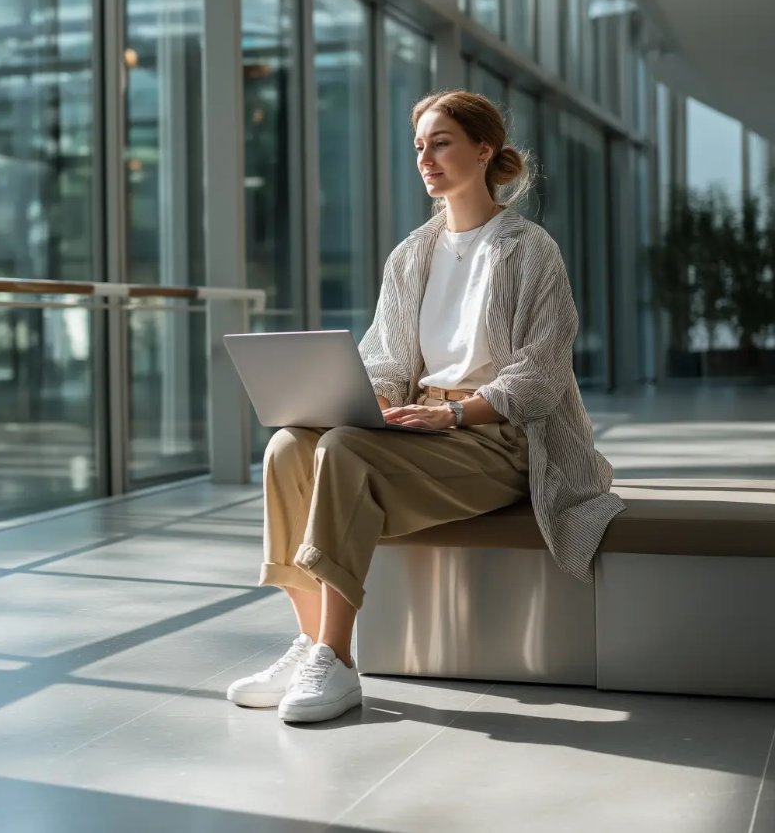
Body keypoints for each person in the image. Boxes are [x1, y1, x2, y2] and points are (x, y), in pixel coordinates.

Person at [226, 89, 625, 725]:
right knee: (288, 445)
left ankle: (337, 657)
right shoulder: (412, 253)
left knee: (343, 449)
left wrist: (458, 413)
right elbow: (384, 353)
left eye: (441, 142)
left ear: (483, 150)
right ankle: (308, 643)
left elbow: (545, 372)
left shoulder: (529, 249)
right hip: (422, 427)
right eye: (419, 146)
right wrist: (372, 396)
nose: (426, 158)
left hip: (499, 439)